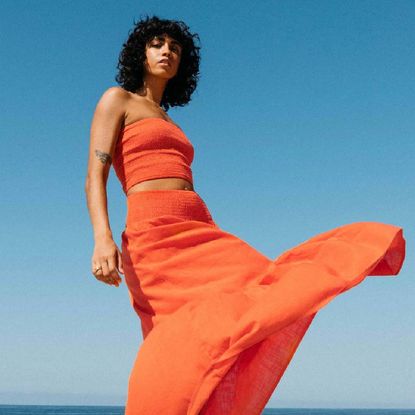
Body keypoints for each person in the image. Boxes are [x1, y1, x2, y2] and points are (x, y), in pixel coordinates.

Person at [85, 15, 406, 415]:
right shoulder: (117, 100)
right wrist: (103, 238)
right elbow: (94, 175)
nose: (167, 51)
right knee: (173, 339)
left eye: (176, 49)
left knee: (259, 287)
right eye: (157, 44)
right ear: (141, 52)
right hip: (154, 236)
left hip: (197, 229)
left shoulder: (169, 120)